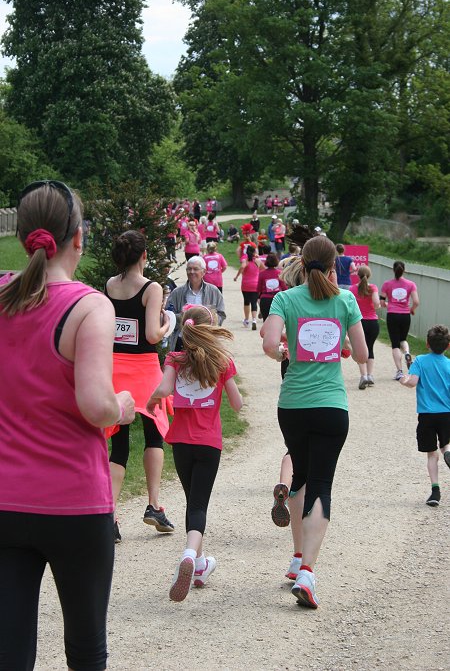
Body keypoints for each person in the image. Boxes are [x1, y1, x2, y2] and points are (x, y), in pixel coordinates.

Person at [0, 180, 135, 670]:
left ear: (24, 239)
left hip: (5, 501)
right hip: (74, 503)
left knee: (8, 650)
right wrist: (123, 404)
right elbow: (96, 405)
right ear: (78, 238)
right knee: (84, 647)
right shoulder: (89, 306)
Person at [262, 235, 367, 608]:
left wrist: (286, 351)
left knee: (300, 478)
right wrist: (335, 344)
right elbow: (361, 353)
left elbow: (269, 344)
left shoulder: (285, 298)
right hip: (331, 406)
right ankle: (306, 571)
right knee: (321, 484)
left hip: (292, 406)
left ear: (301, 264)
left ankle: (294, 558)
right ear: (335, 263)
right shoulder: (346, 300)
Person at [147, 306, 243, 602]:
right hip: (208, 443)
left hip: (182, 443)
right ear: (210, 330)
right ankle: (189, 555)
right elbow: (237, 404)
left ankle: (200, 566)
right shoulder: (222, 361)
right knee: (199, 505)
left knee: (192, 502)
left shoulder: (175, 359)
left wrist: (152, 402)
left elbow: (164, 388)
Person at [105, 230, 175, 541]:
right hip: (145, 370)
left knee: (117, 446)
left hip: (115, 369)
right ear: (144, 256)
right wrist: (168, 323)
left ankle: (109, 516)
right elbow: (151, 335)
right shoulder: (152, 287)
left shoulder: (110, 285)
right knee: (153, 436)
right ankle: (154, 506)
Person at [400, 325, 450, 507]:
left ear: (427, 344)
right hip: (446, 414)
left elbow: (412, 382)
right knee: (445, 445)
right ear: (448, 346)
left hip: (427, 415)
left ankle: (435, 491)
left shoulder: (420, 361)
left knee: (431, 453)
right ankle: (448, 452)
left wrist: (403, 379)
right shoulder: (449, 365)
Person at [166, 256, 226, 351]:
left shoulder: (214, 291)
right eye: (189, 269)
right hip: (182, 340)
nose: (192, 272)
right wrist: (184, 317)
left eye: (195, 269)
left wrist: (208, 321)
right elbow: (168, 316)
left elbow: (221, 314)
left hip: (206, 340)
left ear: (204, 272)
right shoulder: (177, 293)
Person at [380, 260, 420, 380]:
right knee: (403, 339)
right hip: (405, 315)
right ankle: (407, 352)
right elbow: (417, 302)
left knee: (395, 344)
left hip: (392, 314)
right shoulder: (411, 284)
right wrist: (411, 309)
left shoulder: (387, 284)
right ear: (404, 270)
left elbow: (381, 302)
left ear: (393, 270)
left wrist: (389, 304)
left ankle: (399, 371)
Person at [349, 265, 380, 389]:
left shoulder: (352, 289)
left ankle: (363, 376)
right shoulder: (373, 288)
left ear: (358, 275)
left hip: (358, 322)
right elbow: (377, 303)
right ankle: (370, 375)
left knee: (359, 349)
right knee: (370, 348)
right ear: (369, 275)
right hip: (372, 322)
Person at [234, 245, 264, 330]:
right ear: (255, 252)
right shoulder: (257, 261)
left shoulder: (245, 260)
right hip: (255, 284)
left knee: (246, 302)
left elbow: (242, 267)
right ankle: (254, 320)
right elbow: (263, 268)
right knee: (254, 302)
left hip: (246, 284)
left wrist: (237, 276)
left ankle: (247, 319)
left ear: (246, 252)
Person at [257, 252, 287, 320]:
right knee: (276, 319)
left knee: (266, 320)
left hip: (265, 299)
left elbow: (258, 289)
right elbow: (284, 288)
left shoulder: (262, 274)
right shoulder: (279, 273)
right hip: (277, 299)